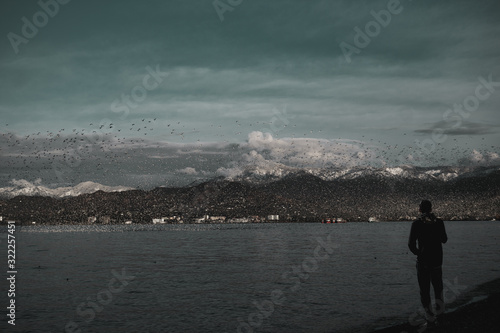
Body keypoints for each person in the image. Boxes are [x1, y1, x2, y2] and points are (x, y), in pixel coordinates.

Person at [408, 200, 448, 326]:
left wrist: (419, 253)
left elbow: (411, 244)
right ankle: (441, 316)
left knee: (424, 291)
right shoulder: (439, 222)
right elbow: (444, 239)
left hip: (423, 262)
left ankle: (430, 318)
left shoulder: (416, 224)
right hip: (437, 261)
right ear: (431, 209)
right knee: (438, 289)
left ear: (420, 209)